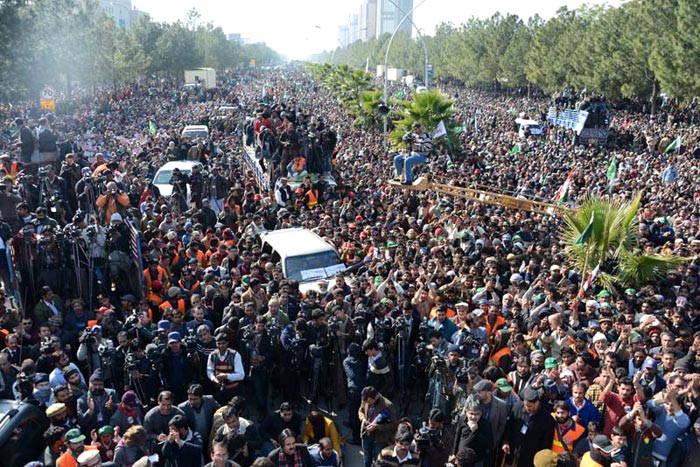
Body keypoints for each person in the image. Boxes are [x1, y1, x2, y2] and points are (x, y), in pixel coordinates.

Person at [502, 388, 555, 467]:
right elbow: (509, 426)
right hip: (513, 452)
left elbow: (546, 442)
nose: (528, 408)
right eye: (526, 405)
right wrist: (506, 442)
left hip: (530, 458)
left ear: (537, 402)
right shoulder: (517, 408)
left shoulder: (547, 419)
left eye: (530, 406)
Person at [358, 386, 397, 467]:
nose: (367, 403)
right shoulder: (365, 399)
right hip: (366, 435)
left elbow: (393, 425)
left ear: (376, 397)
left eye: (369, 401)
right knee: (367, 458)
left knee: (378, 460)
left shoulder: (388, 405)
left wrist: (378, 427)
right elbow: (361, 411)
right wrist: (363, 419)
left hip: (379, 438)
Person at [453, 399, 494, 467]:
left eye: (477, 414)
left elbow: (489, 444)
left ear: (481, 413)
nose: (474, 417)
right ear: (466, 412)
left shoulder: (486, 424)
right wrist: (454, 453)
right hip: (461, 459)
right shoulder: (462, 419)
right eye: (471, 413)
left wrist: (476, 431)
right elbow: (457, 436)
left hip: (476, 462)